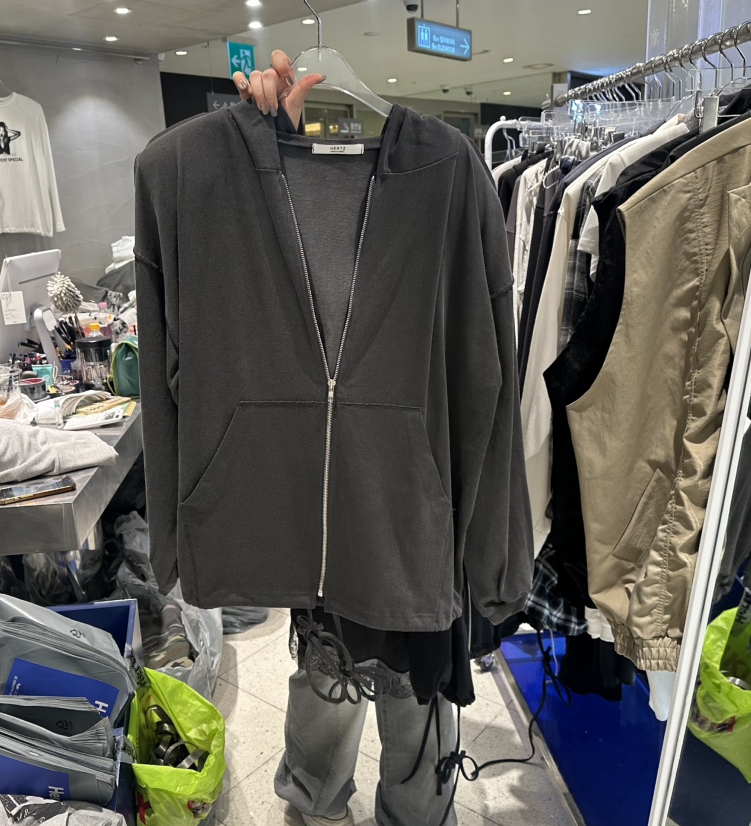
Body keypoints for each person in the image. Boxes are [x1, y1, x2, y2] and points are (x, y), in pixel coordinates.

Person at [230, 51, 460, 826]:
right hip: (324, 507)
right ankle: (315, 801)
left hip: (415, 500)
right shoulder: (273, 213)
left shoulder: (444, 192)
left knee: (409, 675)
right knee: (331, 663)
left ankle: (394, 810)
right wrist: (260, 151)